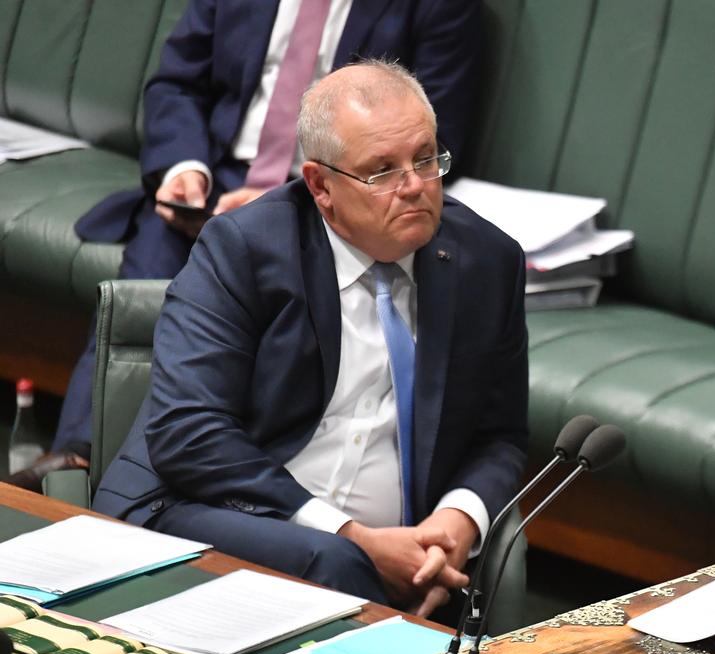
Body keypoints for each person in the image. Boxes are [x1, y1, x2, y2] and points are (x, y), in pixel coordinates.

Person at [92, 60, 527, 618]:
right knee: (337, 564)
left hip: (399, 552)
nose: (415, 186)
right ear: (321, 186)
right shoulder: (245, 248)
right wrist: (352, 536)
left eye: (425, 159)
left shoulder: (487, 262)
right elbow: (188, 433)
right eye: (383, 171)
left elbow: (502, 435)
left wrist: (455, 521)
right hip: (199, 508)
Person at [25, 0, 481, 484]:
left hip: (332, 193)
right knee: (150, 270)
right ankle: (81, 458)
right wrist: (184, 167)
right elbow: (177, 83)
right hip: (214, 179)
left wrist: (280, 204)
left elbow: (431, 135)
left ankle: (169, 477)